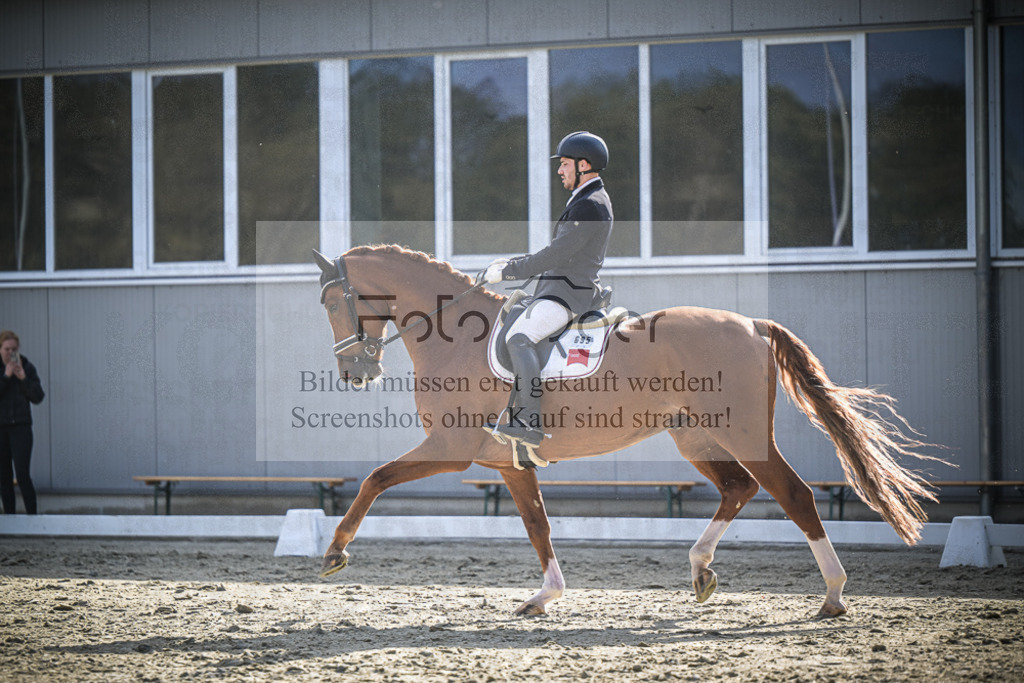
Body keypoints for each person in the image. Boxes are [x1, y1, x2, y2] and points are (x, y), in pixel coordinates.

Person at [482, 131, 614, 448]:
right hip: (562, 288)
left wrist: (510, 270)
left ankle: (529, 421)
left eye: (565, 164)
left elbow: (556, 255)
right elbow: (558, 251)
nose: (560, 170)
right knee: (515, 316)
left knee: (519, 338)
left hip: (569, 294)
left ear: (584, 165)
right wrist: (513, 261)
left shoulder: (589, 205)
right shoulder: (586, 200)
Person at [1, 330, 45, 514]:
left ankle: (32, 518)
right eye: (6, 349)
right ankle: (10, 519)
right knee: (4, 476)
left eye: (14, 349)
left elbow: (38, 397)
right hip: (1, 428)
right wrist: (5, 377)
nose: (10, 353)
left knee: (22, 474)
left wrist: (23, 379)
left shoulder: (27, 367)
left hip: (21, 427)